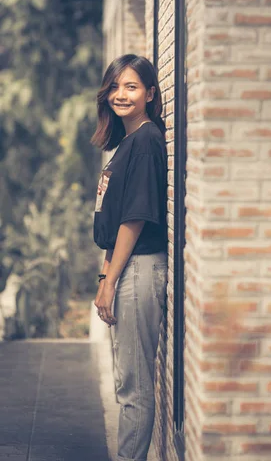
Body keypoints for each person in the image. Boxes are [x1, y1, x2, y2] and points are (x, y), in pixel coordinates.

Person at [91, 54, 168, 461]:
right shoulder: (126, 141)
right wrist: (106, 277)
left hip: (137, 269)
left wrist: (111, 279)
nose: (121, 94)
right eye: (116, 86)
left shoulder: (145, 140)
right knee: (128, 384)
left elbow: (135, 219)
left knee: (134, 389)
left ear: (150, 94)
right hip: (124, 268)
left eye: (132, 86)